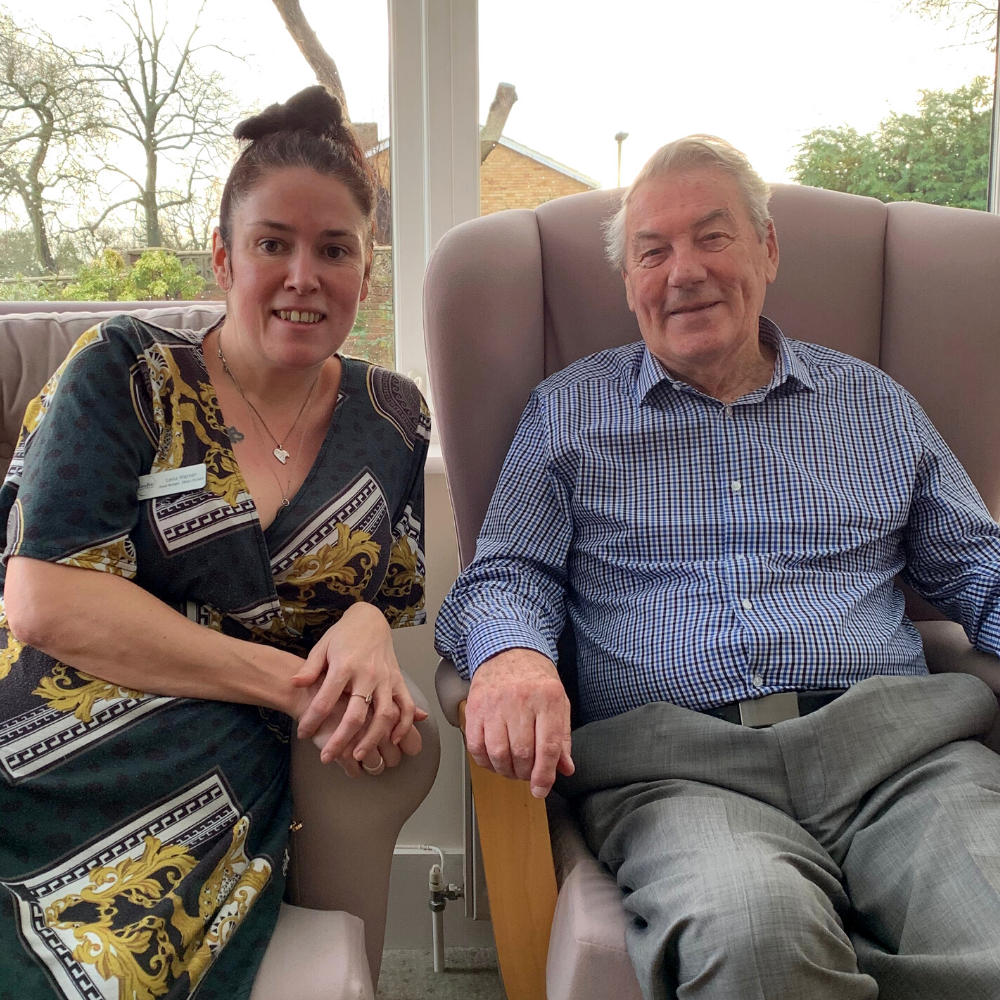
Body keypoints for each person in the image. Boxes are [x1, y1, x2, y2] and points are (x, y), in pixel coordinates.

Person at [435, 135, 1000, 999]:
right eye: (653, 253)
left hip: (900, 758)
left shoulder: (874, 405)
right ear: (629, 285)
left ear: (767, 250)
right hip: (680, 771)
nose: (683, 271)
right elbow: (506, 574)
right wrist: (514, 656)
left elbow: (978, 569)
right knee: (754, 940)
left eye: (713, 237)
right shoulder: (568, 415)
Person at [0, 87, 430, 1000]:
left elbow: (383, 595)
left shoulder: (393, 417)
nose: (303, 275)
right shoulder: (125, 372)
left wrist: (359, 625)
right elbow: (46, 601)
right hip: (43, 733)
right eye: (273, 243)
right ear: (224, 259)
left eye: (335, 249)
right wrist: (285, 681)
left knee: (121, 964)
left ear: (367, 272)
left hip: (218, 770)